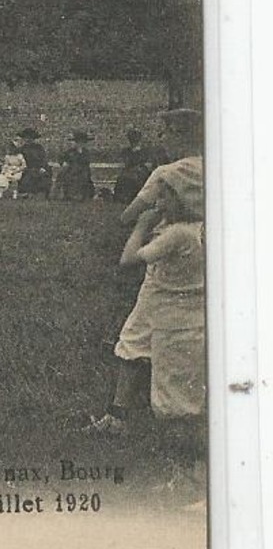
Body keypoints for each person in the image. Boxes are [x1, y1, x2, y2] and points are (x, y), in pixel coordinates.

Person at [89, 166, 206, 437]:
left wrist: (142, 226)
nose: (159, 204)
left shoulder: (176, 234)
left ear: (184, 200)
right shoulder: (199, 229)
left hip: (164, 302)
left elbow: (127, 259)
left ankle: (133, 422)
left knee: (140, 346)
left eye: (164, 198)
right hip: (192, 306)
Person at [57, 131, 96, 201]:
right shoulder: (70, 152)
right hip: (71, 173)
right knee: (68, 178)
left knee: (83, 179)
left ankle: (82, 195)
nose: (80, 144)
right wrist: (63, 163)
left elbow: (86, 163)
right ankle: (69, 194)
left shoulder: (86, 152)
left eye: (82, 142)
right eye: (78, 142)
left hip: (83, 173)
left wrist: (80, 154)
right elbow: (61, 159)